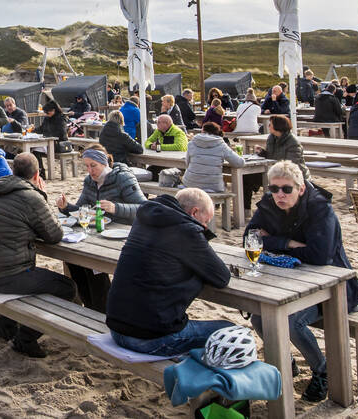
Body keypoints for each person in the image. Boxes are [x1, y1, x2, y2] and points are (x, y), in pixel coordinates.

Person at [245, 161, 358, 403]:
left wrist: (274, 242)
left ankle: (323, 370)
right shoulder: (269, 204)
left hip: (333, 288)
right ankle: (286, 361)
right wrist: (289, 244)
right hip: (290, 283)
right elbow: (250, 239)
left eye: (286, 189)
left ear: (300, 189)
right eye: (274, 189)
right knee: (259, 316)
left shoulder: (320, 208)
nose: (279, 194)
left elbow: (321, 256)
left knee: (290, 321)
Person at [105, 188, 233, 356]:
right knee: (231, 332)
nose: (205, 226)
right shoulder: (186, 230)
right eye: (206, 221)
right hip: (149, 338)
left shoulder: (143, 220)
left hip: (116, 329)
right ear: (194, 212)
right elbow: (222, 277)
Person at [0, 152, 75, 357]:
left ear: (13, 171)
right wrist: (42, 195)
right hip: (5, 277)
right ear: (37, 174)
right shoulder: (31, 197)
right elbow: (54, 234)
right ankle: (25, 339)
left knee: (29, 272)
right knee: (67, 287)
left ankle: (5, 329)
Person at [56, 146, 147, 310]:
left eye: (93, 165)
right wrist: (65, 207)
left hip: (124, 235)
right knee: (75, 260)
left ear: (104, 163)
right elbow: (81, 209)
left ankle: (102, 308)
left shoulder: (123, 178)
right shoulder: (89, 181)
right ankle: (92, 306)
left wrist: (116, 208)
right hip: (99, 233)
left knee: (92, 265)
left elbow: (144, 208)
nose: (90, 171)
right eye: (87, 166)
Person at [245, 115, 309, 210]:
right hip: (273, 171)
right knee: (246, 177)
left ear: (277, 126)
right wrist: (262, 152)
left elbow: (291, 165)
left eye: (270, 124)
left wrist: (273, 169)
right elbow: (271, 155)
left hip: (292, 175)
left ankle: (272, 209)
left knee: (276, 183)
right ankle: (246, 209)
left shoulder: (293, 142)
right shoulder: (272, 138)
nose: (268, 126)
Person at [183, 121, 245, 194]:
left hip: (190, 184)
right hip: (212, 186)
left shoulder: (192, 143)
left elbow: (187, 163)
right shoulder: (221, 145)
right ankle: (218, 204)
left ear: (202, 130)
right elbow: (239, 163)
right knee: (225, 188)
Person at [33, 100, 71, 177]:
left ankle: (41, 173)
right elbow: (41, 128)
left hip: (59, 144)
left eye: (48, 112)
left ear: (53, 110)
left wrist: (47, 135)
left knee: (36, 150)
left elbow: (62, 133)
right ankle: (40, 171)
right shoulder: (47, 118)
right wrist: (33, 131)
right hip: (48, 142)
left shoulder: (61, 119)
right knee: (34, 150)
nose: (46, 114)